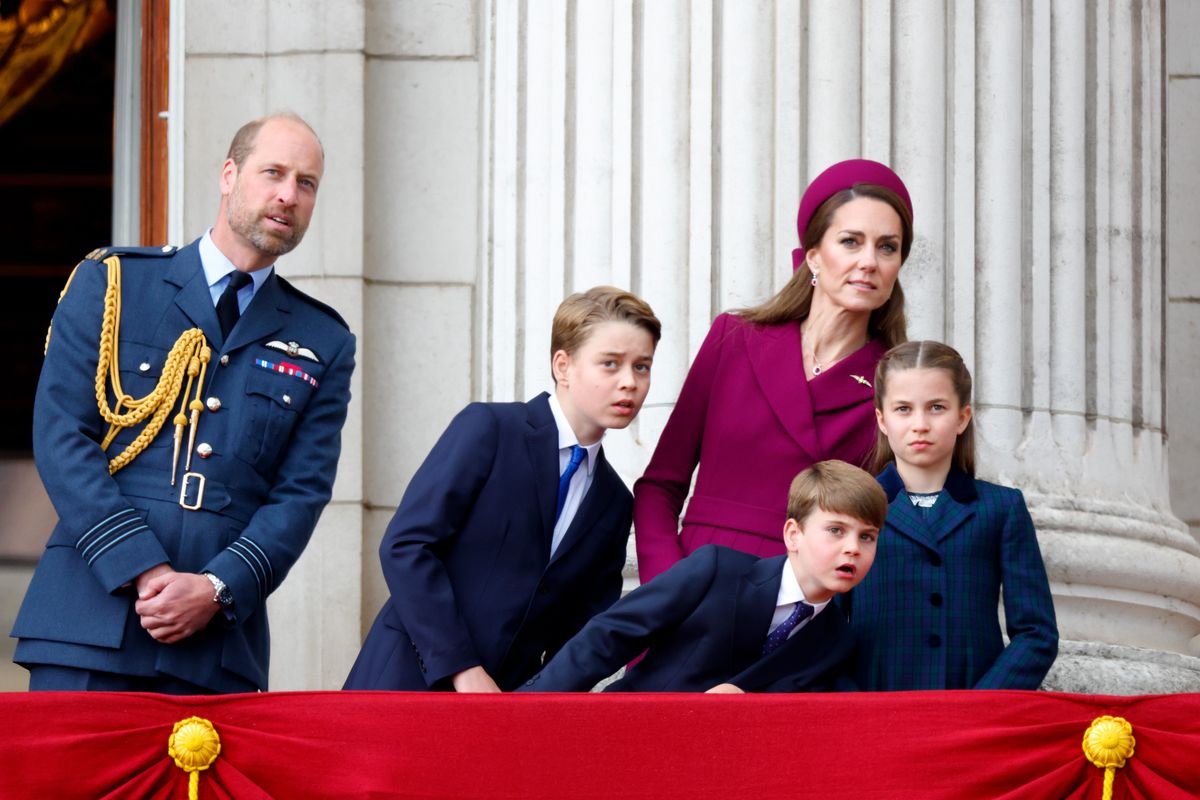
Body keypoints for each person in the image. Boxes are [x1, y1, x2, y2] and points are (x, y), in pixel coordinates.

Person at [11, 113, 355, 694]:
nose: (287, 195)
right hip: (86, 620)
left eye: (307, 183)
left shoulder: (324, 341)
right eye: (273, 172)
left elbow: (301, 494)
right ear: (228, 174)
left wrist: (217, 589)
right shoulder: (114, 284)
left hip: (214, 645)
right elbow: (63, 436)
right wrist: (142, 568)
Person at [343, 287, 661, 692]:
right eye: (610, 364)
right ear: (563, 365)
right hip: (405, 682)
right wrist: (462, 667)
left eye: (642, 367)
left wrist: (542, 701)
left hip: (508, 710)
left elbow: (582, 630)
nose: (629, 383)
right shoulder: (490, 429)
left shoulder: (614, 501)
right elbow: (406, 546)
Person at [634, 159, 914, 584]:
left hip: (805, 610)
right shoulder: (735, 339)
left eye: (887, 247)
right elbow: (660, 486)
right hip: (694, 591)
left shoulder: (896, 386)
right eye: (851, 242)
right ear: (815, 257)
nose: (870, 262)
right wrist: (666, 591)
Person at [518, 460, 886, 693]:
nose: (852, 547)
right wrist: (525, 711)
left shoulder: (836, 640)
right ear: (793, 534)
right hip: (629, 736)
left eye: (866, 536)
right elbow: (610, 635)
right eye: (836, 530)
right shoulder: (717, 570)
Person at [849, 340, 1058, 690]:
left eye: (936, 407)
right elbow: (825, 627)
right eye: (903, 409)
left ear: (962, 417)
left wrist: (982, 705)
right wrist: (855, 706)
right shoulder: (853, 508)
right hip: (874, 712)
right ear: (882, 420)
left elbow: (1036, 633)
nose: (920, 424)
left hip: (972, 714)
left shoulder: (1001, 508)